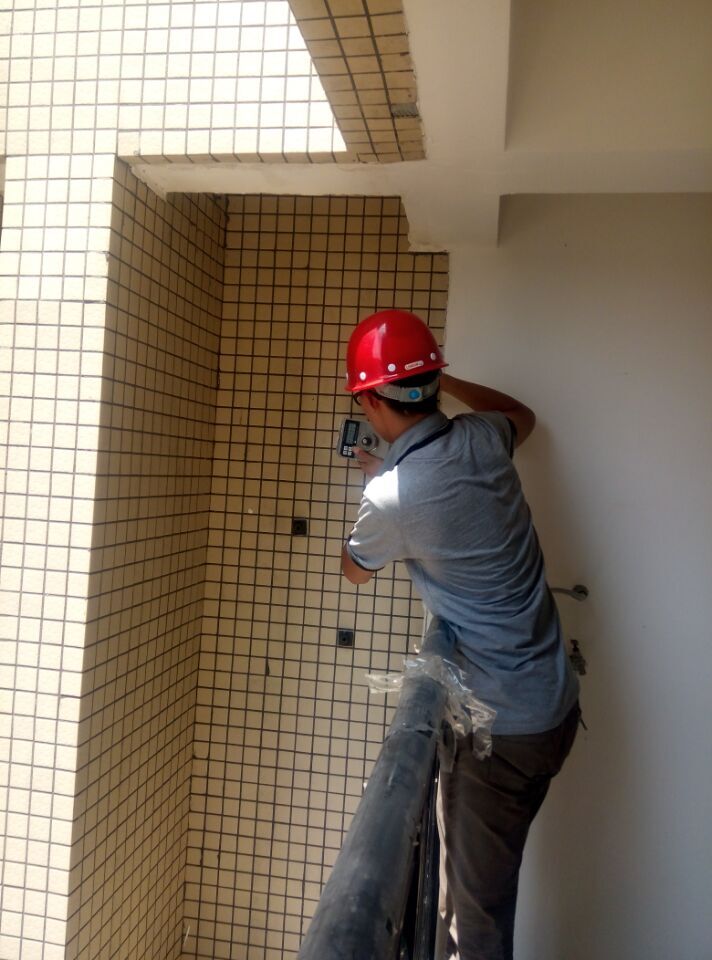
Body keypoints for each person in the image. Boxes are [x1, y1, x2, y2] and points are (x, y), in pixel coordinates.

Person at [340, 309, 580, 960]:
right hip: (555, 705)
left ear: (369, 399)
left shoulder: (391, 497)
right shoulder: (483, 437)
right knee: (479, 893)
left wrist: (380, 490)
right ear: (431, 382)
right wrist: (442, 381)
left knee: (477, 924)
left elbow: (355, 571)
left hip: (503, 734)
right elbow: (521, 415)